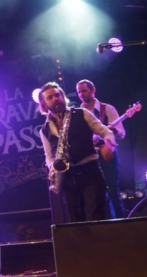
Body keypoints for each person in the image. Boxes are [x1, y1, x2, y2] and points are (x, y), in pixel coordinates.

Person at [38, 82, 116, 224]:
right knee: (75, 220)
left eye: (58, 95)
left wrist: (109, 145)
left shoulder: (82, 113)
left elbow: (106, 132)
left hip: (90, 173)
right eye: (50, 97)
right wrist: (53, 168)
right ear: (43, 104)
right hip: (67, 177)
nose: (55, 99)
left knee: (95, 216)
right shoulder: (44, 130)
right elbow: (49, 156)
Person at [76, 79, 127, 219]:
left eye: (84, 90)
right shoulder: (78, 114)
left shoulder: (107, 109)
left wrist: (111, 131)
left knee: (113, 192)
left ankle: (122, 225)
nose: (81, 94)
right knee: (94, 195)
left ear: (93, 90)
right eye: (79, 92)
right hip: (90, 158)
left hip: (108, 156)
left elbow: (121, 134)